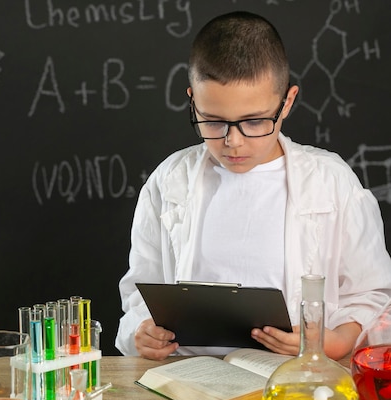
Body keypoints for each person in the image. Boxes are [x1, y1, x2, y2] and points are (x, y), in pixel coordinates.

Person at [115, 11, 391, 361]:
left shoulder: (332, 183)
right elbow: (141, 293)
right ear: (193, 101)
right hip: (187, 376)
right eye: (213, 122)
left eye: (255, 121)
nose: (233, 142)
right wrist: (143, 333)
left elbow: (372, 294)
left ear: (286, 103)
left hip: (295, 378)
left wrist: (331, 342)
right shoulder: (168, 182)